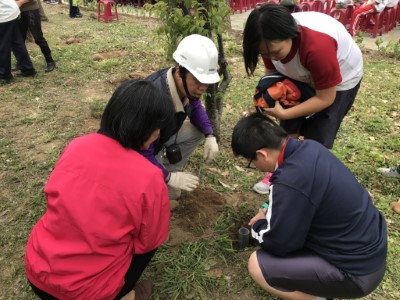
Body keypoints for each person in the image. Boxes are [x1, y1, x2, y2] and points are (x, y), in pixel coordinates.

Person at [25, 80, 175, 300]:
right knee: (150, 244)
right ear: (144, 128)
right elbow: (149, 241)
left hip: (38, 272)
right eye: (157, 128)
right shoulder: (149, 177)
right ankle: (125, 294)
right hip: (86, 292)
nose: (158, 134)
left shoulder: (77, 145)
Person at [231, 113, 387, 300]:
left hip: (355, 274)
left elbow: (278, 244)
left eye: (251, 162)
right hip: (371, 252)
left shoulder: (289, 180)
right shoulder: (311, 147)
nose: (254, 166)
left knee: (257, 264)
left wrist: (259, 225)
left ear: (262, 154)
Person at [243, 4, 363, 194]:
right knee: (287, 126)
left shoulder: (318, 46)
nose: (271, 57)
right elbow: (273, 72)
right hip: (300, 73)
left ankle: (307, 178)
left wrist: (285, 112)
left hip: (341, 80)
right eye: (265, 54)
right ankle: (281, 172)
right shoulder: (267, 41)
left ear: (289, 35)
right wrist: (273, 98)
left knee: (318, 136)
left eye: (275, 53)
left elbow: (325, 98)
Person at [144, 34, 220, 207]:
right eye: (198, 80)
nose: (203, 87)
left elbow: (195, 108)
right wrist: (169, 178)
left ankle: (168, 170)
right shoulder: (156, 101)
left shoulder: (184, 85)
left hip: (158, 138)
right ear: (180, 72)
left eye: (206, 82)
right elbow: (140, 151)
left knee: (197, 130)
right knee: (169, 193)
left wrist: (209, 134)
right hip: (138, 151)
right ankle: (156, 188)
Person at [13, 0, 56, 73]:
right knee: (20, 40)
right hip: (18, 12)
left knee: (38, 38)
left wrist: (19, 3)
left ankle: (50, 61)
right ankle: (21, 63)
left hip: (31, 10)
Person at [0, 0, 37, 84]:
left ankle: (4, 75)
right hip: (12, 11)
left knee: (3, 45)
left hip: (3, 15)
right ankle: (27, 69)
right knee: (16, 41)